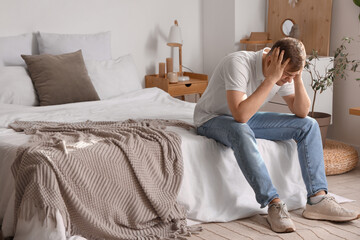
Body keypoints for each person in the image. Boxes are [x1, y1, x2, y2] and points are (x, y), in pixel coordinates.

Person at [194, 37, 359, 233]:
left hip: (246, 116)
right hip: (212, 118)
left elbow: (301, 112)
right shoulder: (237, 63)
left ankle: (318, 199)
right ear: (271, 60)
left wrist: (297, 77)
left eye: (292, 75)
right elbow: (240, 115)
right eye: (287, 75)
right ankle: (273, 203)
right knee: (241, 129)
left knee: (309, 125)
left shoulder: (286, 73)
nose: (287, 79)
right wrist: (271, 79)